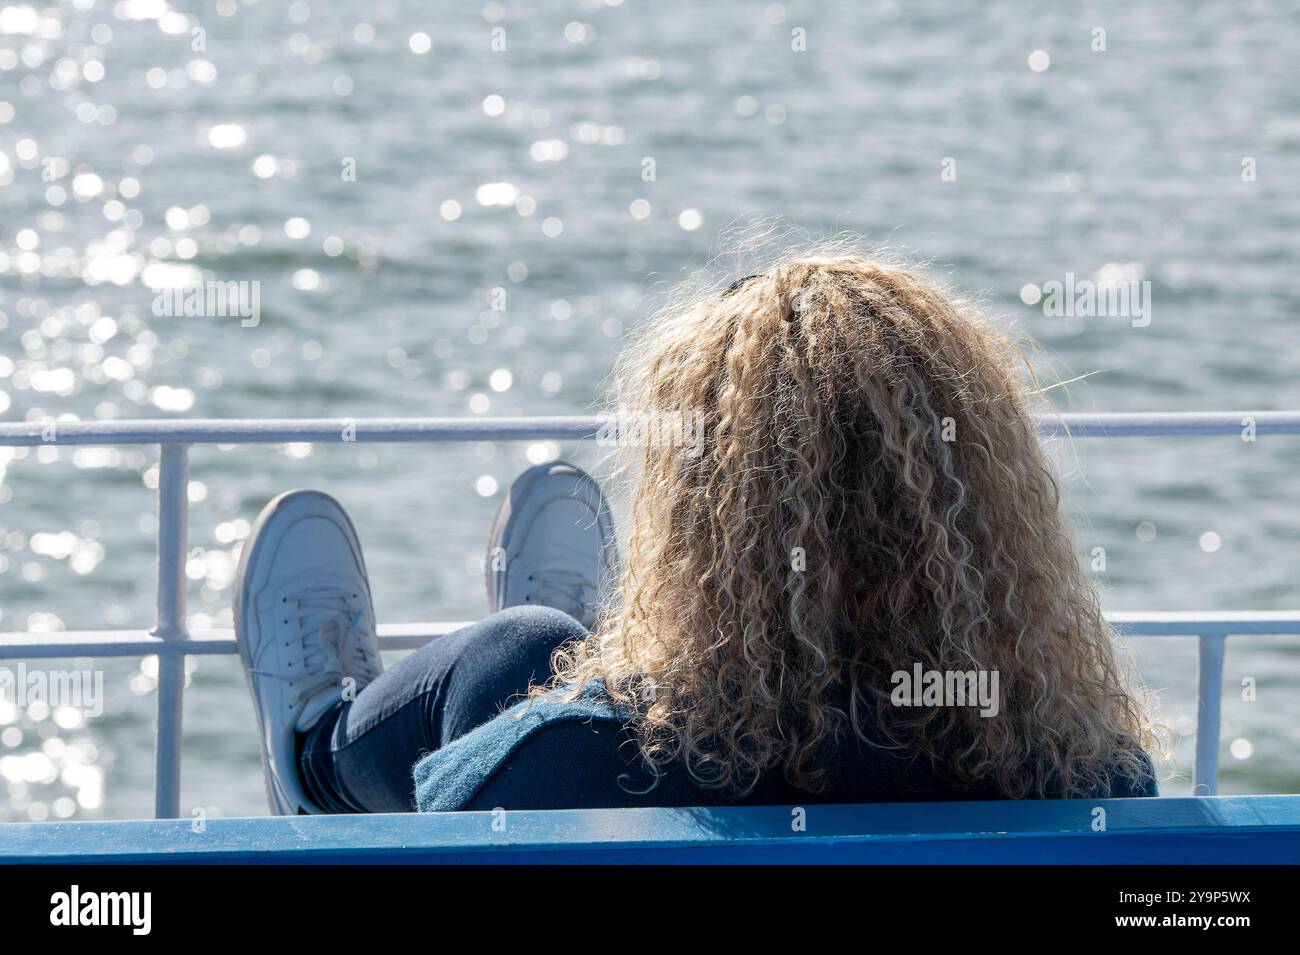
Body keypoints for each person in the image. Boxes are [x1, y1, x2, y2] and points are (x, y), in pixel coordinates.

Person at [233, 253, 1160, 815]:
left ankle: (314, 752)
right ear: (995, 510)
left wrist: (578, 704)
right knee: (541, 658)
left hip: (595, 756)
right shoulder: (1098, 777)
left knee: (519, 656)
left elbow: (447, 809)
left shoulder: (559, 759)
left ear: (705, 525)